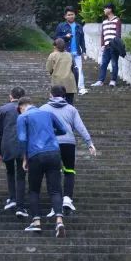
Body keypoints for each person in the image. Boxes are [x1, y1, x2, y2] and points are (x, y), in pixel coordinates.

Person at [40, 85, 97, 215]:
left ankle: (56, 204)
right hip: (68, 143)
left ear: (51, 95)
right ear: (64, 96)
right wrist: (89, 143)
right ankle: (67, 198)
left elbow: (39, 127)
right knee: (69, 170)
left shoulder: (43, 109)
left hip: (51, 143)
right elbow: (80, 127)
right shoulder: (71, 109)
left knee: (53, 172)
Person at [17, 97, 68, 237]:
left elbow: (22, 138)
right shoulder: (47, 113)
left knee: (34, 190)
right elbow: (63, 129)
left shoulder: (23, 117)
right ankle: (59, 221)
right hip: (53, 153)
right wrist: (50, 134)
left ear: (22, 107)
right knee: (56, 190)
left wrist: (24, 158)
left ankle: (37, 222)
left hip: (35, 155)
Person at [0, 86, 28, 219]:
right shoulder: (26, 109)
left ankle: (12, 198)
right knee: (21, 175)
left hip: (7, 144)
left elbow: (0, 131)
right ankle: (20, 206)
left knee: (10, 172)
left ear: (11, 96)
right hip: (22, 145)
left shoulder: (3, 109)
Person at [54, 6, 88, 95]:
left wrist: (84, 51)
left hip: (76, 52)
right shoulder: (61, 26)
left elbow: (82, 40)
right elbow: (56, 39)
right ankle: (63, 88)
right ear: (65, 16)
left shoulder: (79, 26)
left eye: (72, 14)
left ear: (75, 15)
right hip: (65, 53)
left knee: (79, 70)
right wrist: (65, 37)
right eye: (68, 15)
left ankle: (81, 88)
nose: (71, 16)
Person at [92, 2, 122, 87]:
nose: (104, 10)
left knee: (114, 63)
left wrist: (115, 43)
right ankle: (100, 81)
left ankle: (113, 80)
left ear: (110, 9)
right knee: (103, 63)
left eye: (105, 8)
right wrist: (102, 45)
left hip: (114, 46)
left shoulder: (117, 20)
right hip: (106, 47)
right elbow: (103, 34)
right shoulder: (104, 22)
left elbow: (118, 34)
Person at [46, 38, 77, 104]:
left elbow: (49, 68)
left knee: (56, 103)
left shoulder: (52, 55)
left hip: (57, 83)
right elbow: (74, 68)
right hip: (70, 83)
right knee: (69, 103)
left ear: (55, 46)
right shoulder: (70, 55)